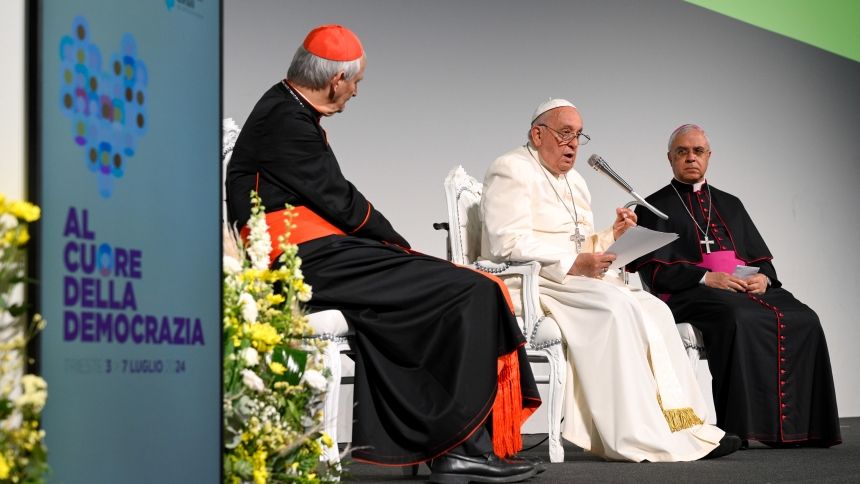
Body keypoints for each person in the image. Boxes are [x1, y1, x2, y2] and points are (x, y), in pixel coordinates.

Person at [225, 25, 543, 483]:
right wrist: (396, 243)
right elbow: (339, 200)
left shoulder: (286, 109)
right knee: (470, 289)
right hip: (303, 260)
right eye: (355, 82)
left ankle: (455, 445)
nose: (355, 92)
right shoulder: (284, 119)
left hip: (319, 253)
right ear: (335, 80)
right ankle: (462, 450)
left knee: (455, 291)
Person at [480, 99, 740, 462]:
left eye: (578, 135)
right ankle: (636, 435)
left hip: (570, 277)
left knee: (656, 311)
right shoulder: (510, 168)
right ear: (537, 135)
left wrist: (610, 237)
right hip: (534, 282)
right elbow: (506, 242)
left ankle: (687, 428)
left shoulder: (576, 181)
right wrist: (576, 262)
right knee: (618, 308)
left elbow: (579, 243)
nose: (573, 143)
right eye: (564, 133)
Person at [630, 124, 841, 448]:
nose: (690, 158)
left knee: (806, 319)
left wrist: (764, 278)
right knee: (739, 318)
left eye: (697, 151)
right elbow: (653, 272)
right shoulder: (652, 207)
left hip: (742, 290)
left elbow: (763, 259)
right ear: (669, 158)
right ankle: (742, 429)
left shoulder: (731, 203)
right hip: (689, 294)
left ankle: (802, 428)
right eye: (682, 152)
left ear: (709, 156)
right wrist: (704, 277)